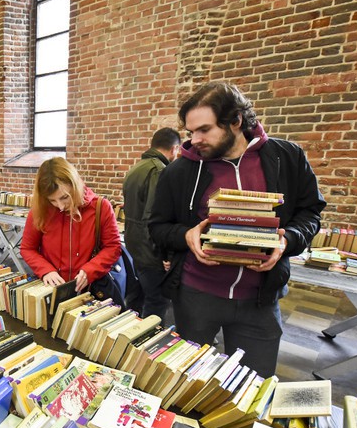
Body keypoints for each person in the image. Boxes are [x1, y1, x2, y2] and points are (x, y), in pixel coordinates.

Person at [149, 82, 325, 377]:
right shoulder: (178, 172)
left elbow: (310, 212)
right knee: (188, 382)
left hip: (260, 299)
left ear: (236, 121)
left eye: (204, 130)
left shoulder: (287, 158)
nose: (195, 140)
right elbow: (157, 227)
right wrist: (186, 236)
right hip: (196, 296)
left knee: (253, 386)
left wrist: (288, 241)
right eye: (191, 132)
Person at [20, 157, 121, 294]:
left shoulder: (101, 207)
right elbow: (28, 248)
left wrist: (90, 270)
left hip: (91, 289)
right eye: (52, 201)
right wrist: (45, 270)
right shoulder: (40, 210)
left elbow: (113, 247)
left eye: (64, 197)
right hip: (51, 288)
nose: (60, 206)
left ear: (75, 186)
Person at [122, 127, 181, 322]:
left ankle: (128, 337)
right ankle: (147, 343)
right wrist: (165, 255)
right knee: (156, 302)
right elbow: (154, 218)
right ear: (174, 149)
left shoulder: (135, 169)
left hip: (135, 247)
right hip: (151, 252)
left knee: (136, 298)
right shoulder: (159, 171)